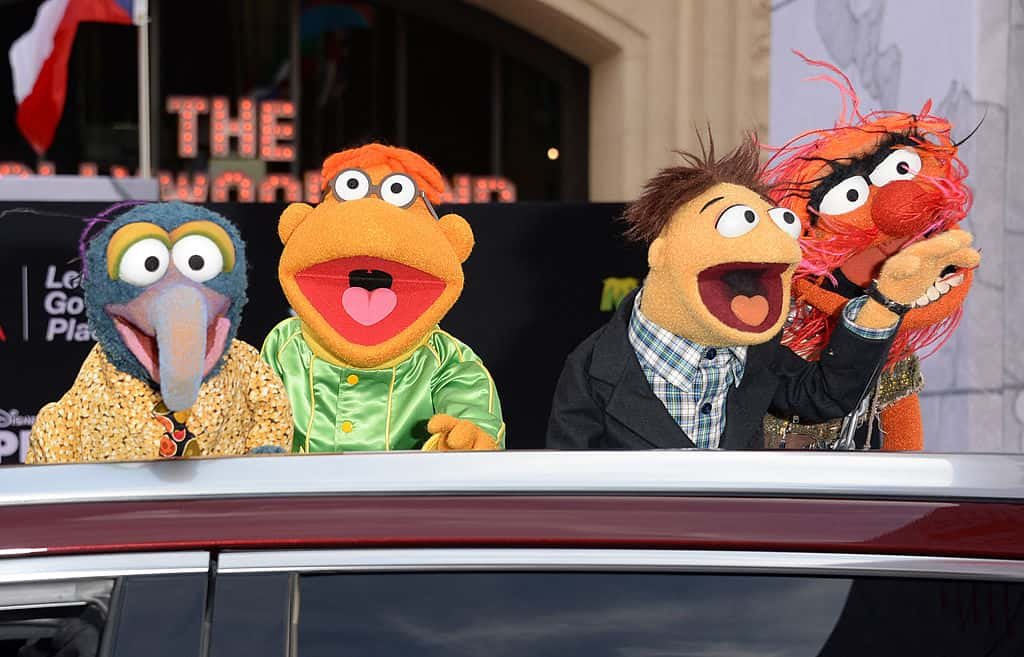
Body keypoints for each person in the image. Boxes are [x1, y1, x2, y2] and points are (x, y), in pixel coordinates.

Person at [545, 134, 979, 450]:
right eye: (738, 223)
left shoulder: (756, 350)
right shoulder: (593, 367)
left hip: (743, 563)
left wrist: (886, 300)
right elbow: (568, 494)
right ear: (663, 251)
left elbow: (825, 396)